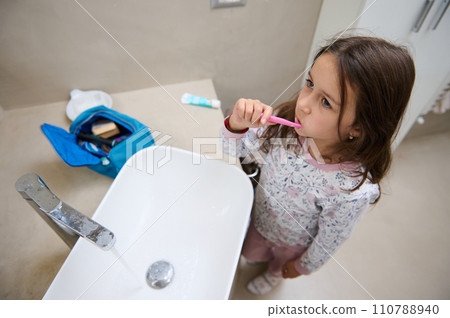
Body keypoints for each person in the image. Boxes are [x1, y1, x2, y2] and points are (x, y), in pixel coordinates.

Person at [220, 36, 415, 295]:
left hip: (292, 244)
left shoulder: (350, 191)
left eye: (325, 102)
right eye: (310, 84)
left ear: (358, 127)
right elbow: (232, 150)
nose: (303, 104)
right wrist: (237, 123)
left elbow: (331, 238)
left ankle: (272, 276)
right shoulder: (284, 126)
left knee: (278, 266)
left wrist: (303, 265)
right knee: (253, 252)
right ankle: (259, 260)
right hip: (260, 220)